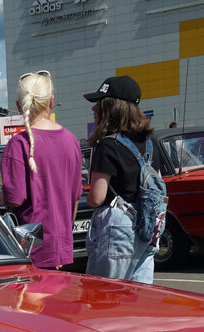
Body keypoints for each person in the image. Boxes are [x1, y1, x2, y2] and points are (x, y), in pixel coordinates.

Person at [84, 74, 166, 284]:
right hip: (149, 227)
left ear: (110, 108)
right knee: (138, 299)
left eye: (98, 104)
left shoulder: (107, 145)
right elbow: (157, 182)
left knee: (106, 297)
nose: (94, 109)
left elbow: (96, 198)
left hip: (119, 226)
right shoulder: (150, 143)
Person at [0, 70, 83, 270]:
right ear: (51, 102)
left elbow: (14, 198)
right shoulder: (71, 140)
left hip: (31, 250)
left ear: (19, 106)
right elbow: (75, 197)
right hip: (61, 248)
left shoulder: (19, 144)